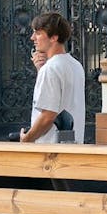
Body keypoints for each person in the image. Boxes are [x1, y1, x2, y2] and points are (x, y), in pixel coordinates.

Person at [21, 11, 86, 144]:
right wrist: (41, 70)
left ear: (53, 38)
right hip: (74, 145)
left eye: (38, 33)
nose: (32, 38)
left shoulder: (50, 69)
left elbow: (48, 116)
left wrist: (27, 139)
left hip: (51, 151)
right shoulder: (75, 65)